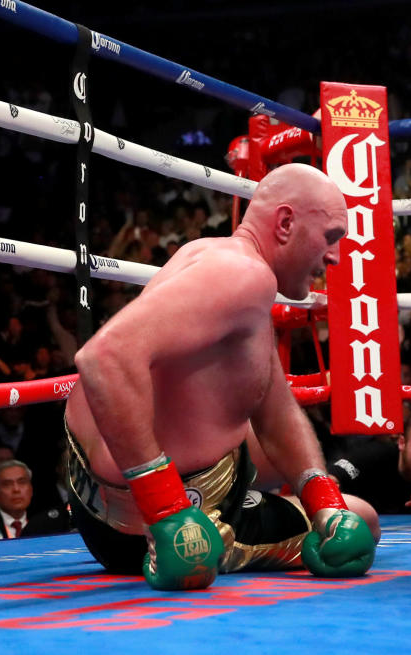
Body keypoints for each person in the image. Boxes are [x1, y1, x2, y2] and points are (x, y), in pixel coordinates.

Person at [64, 164, 378, 591]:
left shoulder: (212, 254)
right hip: (166, 528)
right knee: (362, 520)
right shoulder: (243, 276)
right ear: (285, 223)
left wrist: (323, 501)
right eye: (331, 237)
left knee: (335, 503)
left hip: (103, 509)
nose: (335, 257)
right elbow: (104, 358)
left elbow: (275, 405)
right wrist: (167, 510)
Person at [0, 460, 70, 538]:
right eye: (7, 484)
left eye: (22, 482)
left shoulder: (47, 522)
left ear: (31, 489)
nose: (16, 489)